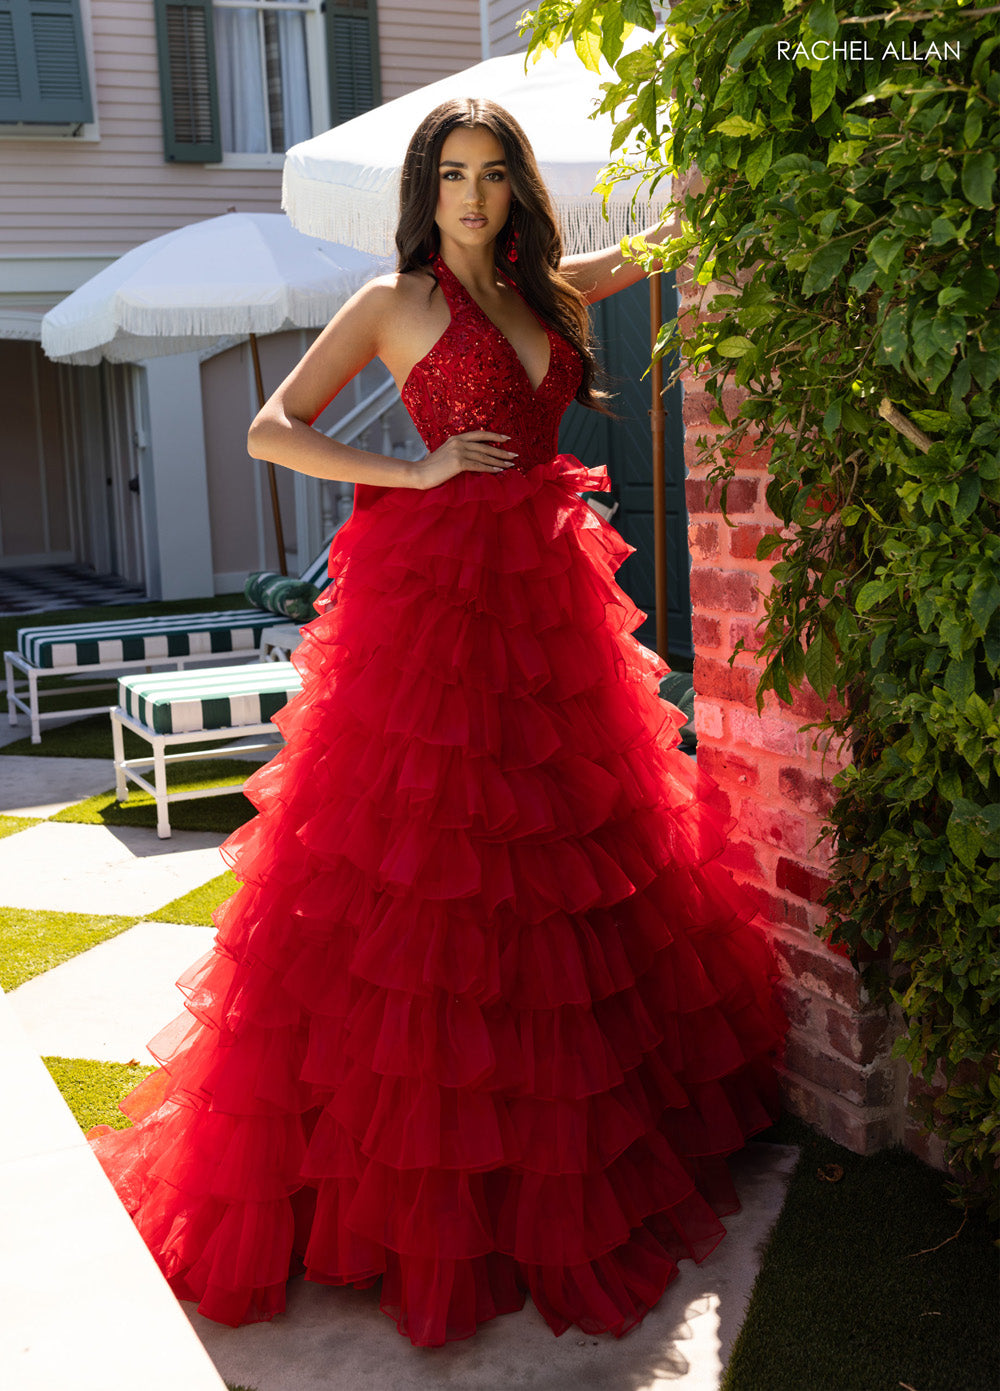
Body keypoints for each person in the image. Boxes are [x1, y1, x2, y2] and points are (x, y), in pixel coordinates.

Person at [89, 97, 787, 1349]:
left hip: (548, 588)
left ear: (516, 186)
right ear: (428, 190)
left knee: (564, 863)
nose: (470, 196)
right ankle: (417, 1185)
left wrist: (717, 170)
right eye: (450, 175)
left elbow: (647, 244)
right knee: (431, 864)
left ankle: (557, 1152)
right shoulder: (394, 302)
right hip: (431, 601)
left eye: (490, 174)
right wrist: (410, 471)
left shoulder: (552, 291)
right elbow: (271, 428)